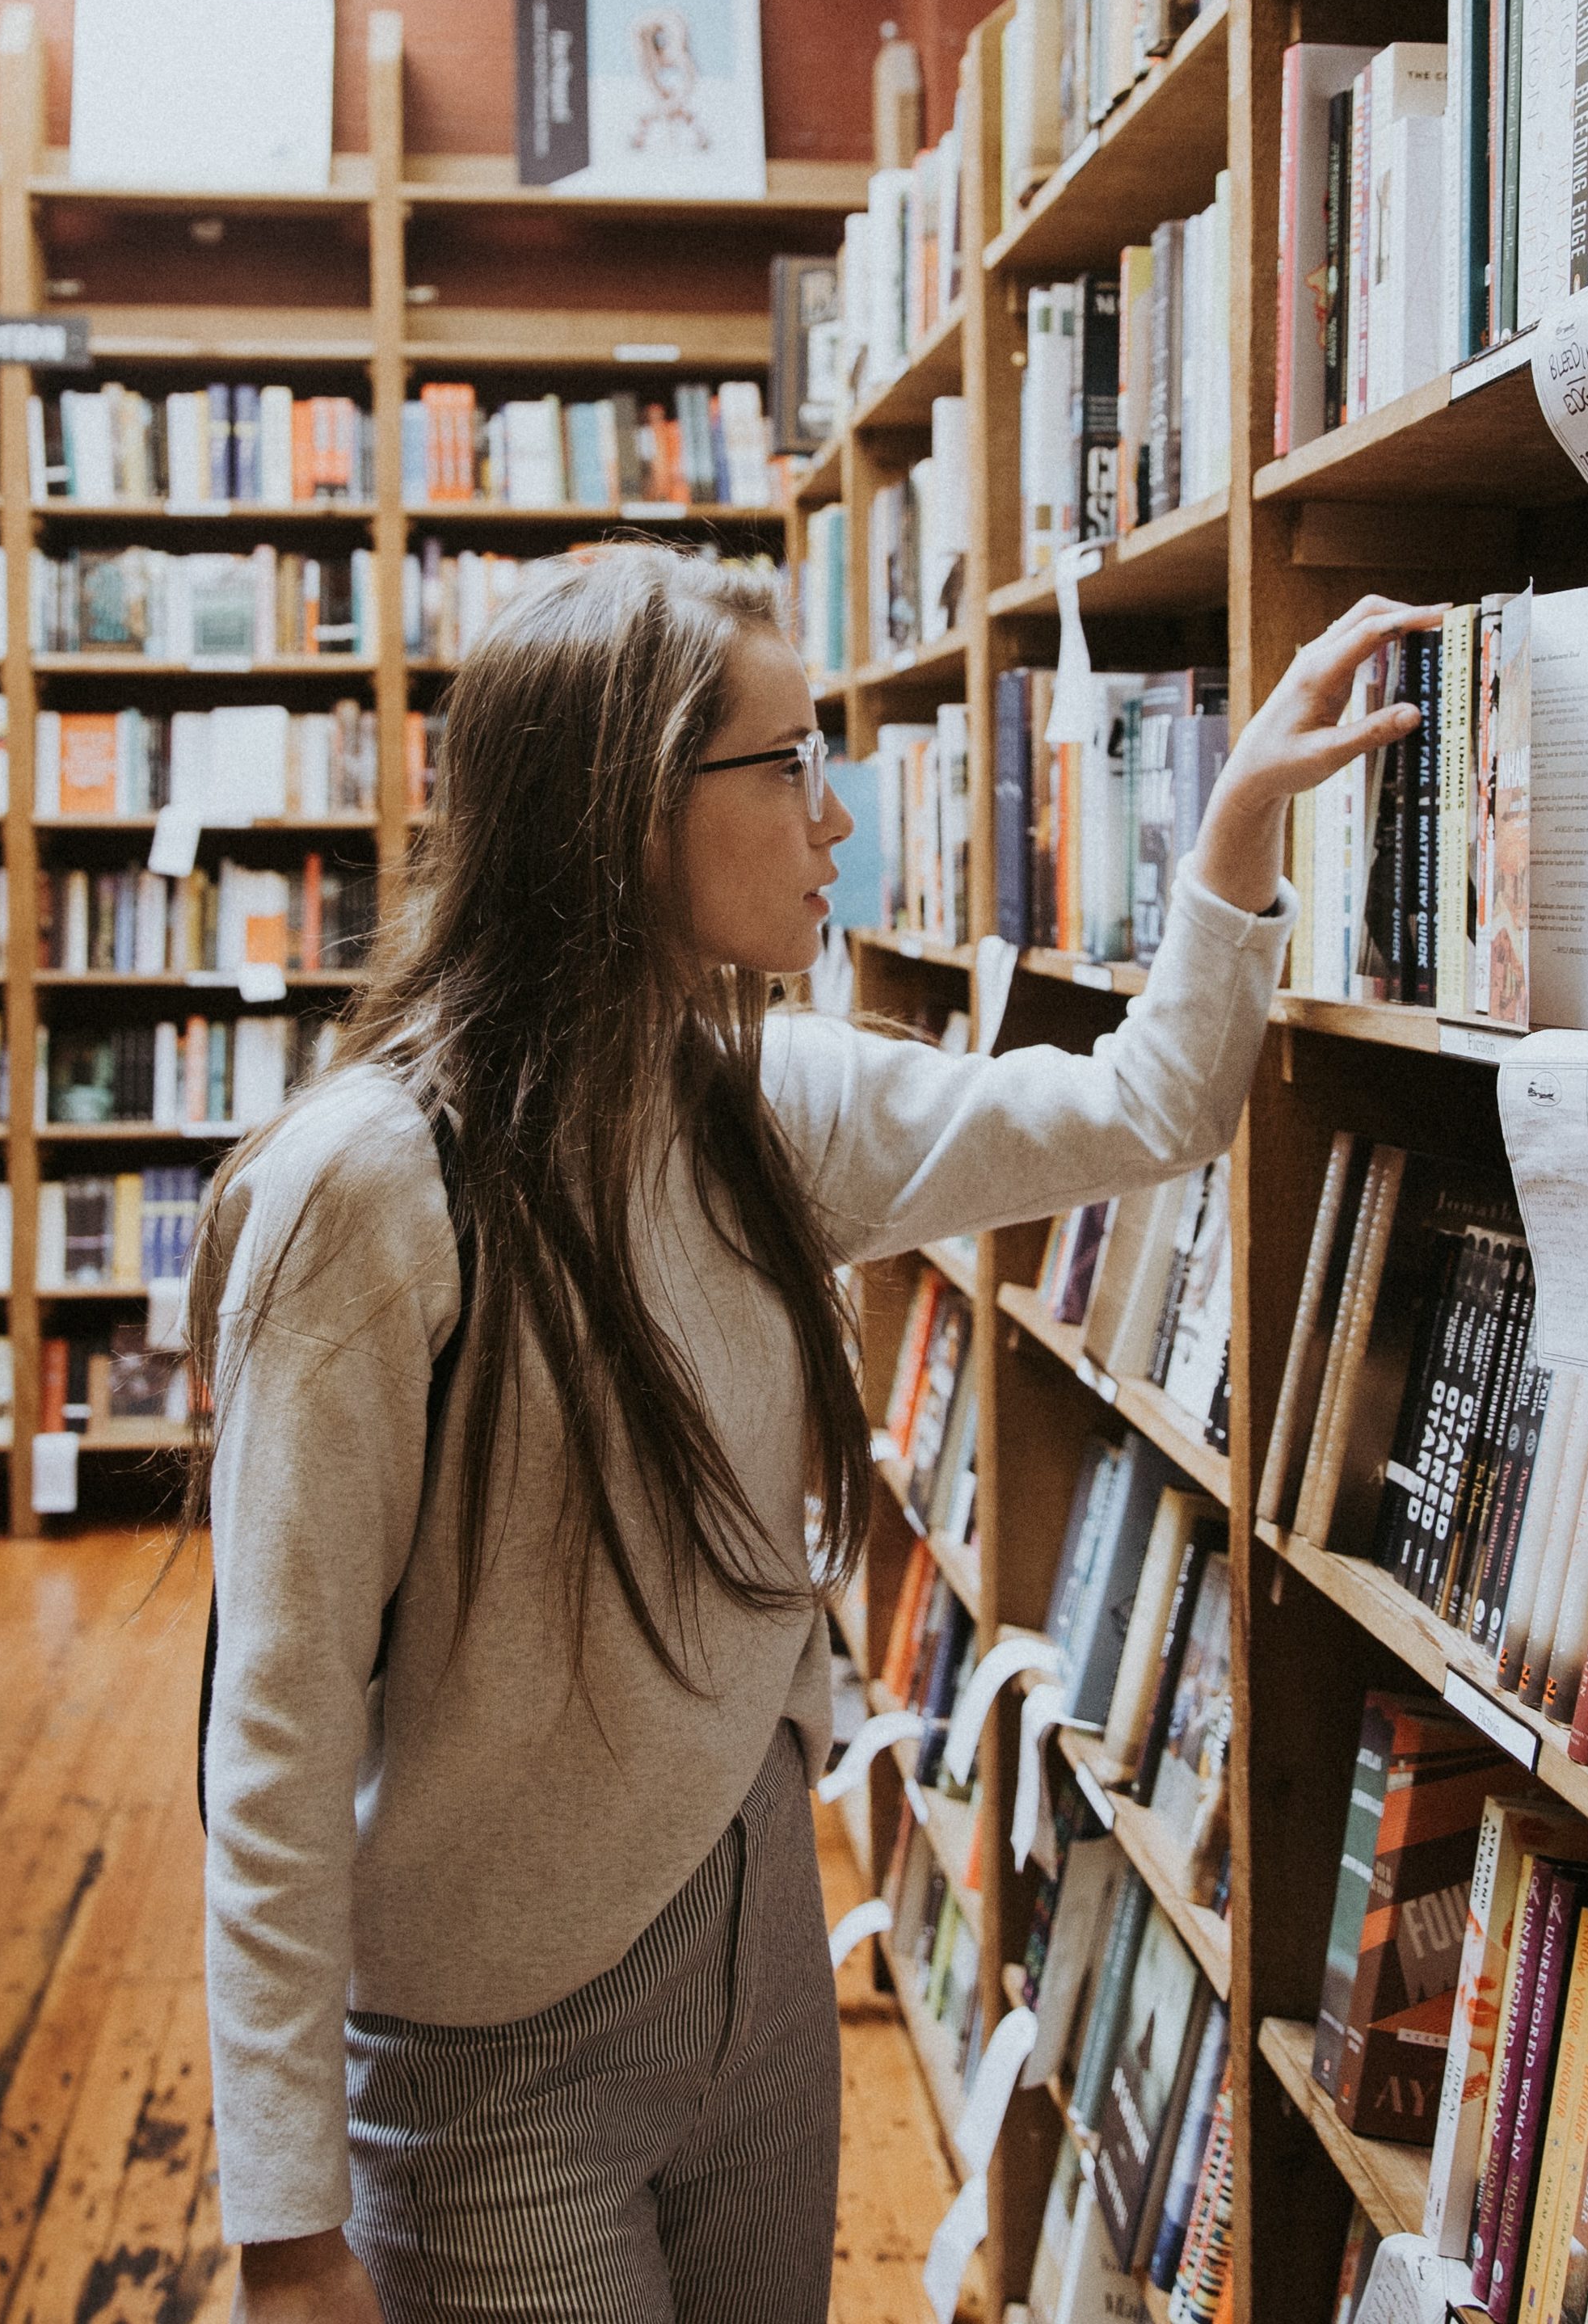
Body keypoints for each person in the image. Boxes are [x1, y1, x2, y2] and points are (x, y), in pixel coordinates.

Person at [188, 545, 1426, 2323]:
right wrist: (286, 2227)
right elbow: (279, 1720)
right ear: (628, 815)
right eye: (787, 764)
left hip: (754, 1948)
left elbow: (1146, 1105)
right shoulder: (369, 1193)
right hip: (488, 2051)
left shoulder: (769, 1102)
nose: (836, 815)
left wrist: (1227, 843)